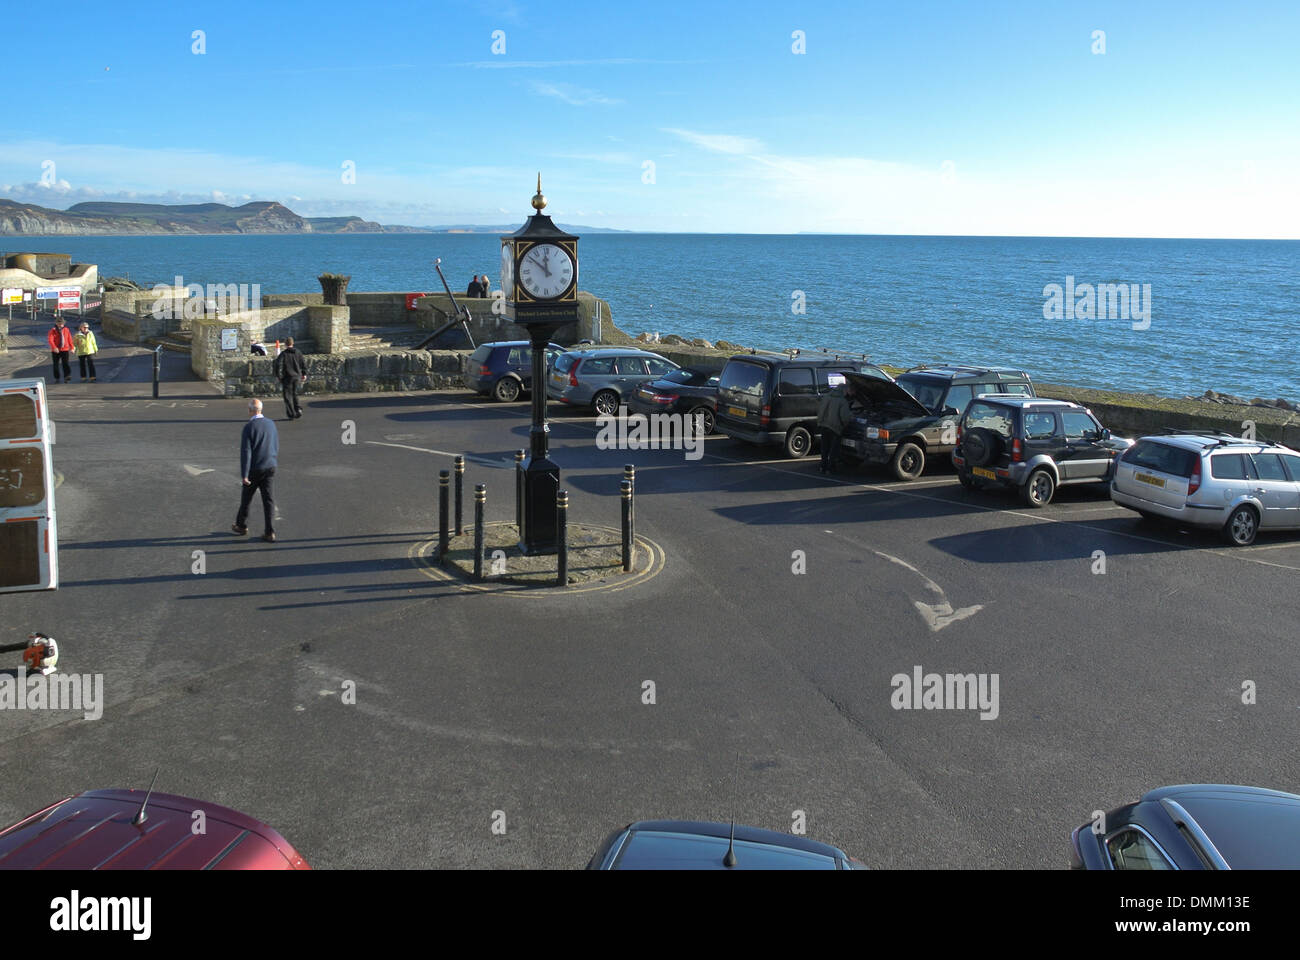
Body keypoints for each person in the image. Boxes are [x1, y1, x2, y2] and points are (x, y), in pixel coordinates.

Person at [233, 398, 279, 543]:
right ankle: (269, 531)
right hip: (270, 466)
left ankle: (241, 525)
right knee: (268, 500)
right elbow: (275, 444)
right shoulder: (271, 424)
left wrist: (244, 475)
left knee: (246, 499)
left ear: (250, 410)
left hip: (254, 469)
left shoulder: (249, 427)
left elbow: (246, 452)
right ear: (261, 409)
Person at [817, 381, 855, 474]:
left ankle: (823, 466)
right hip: (835, 428)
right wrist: (849, 420)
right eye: (851, 392)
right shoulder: (842, 401)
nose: (851, 394)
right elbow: (845, 417)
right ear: (846, 390)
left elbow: (820, 410)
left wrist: (820, 422)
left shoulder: (827, 396)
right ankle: (831, 468)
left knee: (824, 448)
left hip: (823, 425)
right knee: (833, 450)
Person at [272, 336, 307, 419]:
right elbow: (303, 363)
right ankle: (298, 409)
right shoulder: (298, 352)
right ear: (292, 343)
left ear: (285, 344)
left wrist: (279, 376)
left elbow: (278, 365)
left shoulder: (283, 354)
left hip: (288, 377)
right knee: (295, 394)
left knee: (287, 396)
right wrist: (304, 373)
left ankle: (291, 414)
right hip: (297, 376)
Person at [47, 316, 73, 384]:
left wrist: (72, 347)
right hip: (56, 350)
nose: (61, 324)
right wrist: (54, 347)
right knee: (56, 365)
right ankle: (57, 378)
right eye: (60, 323)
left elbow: (69, 338)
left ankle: (67, 376)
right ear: (56, 323)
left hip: (65, 349)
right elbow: (50, 340)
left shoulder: (66, 329)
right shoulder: (53, 330)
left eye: (62, 323)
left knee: (66, 364)